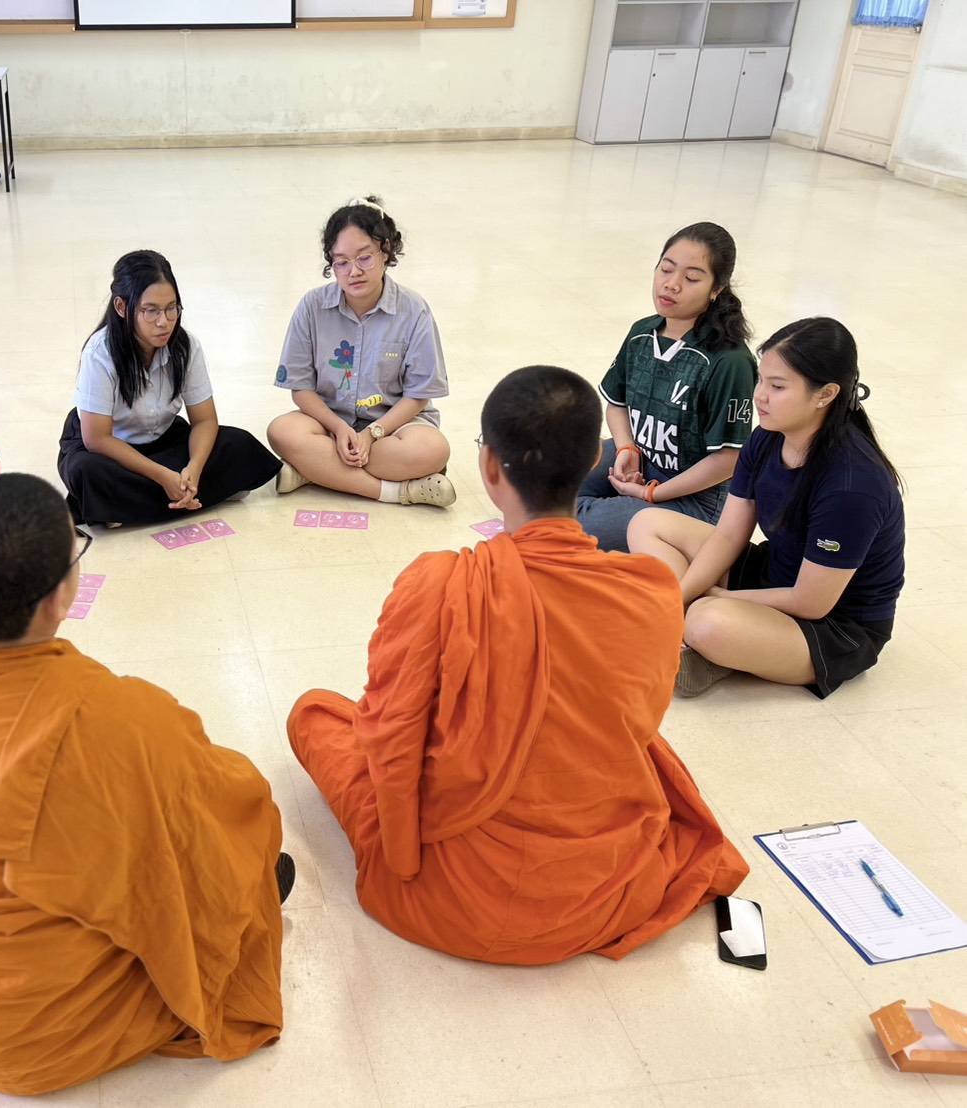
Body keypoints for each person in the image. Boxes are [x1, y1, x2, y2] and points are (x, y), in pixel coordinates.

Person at [0, 474, 292, 1095]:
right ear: (61, 594)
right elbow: (228, 807)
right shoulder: (120, 718)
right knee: (237, 837)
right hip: (48, 1039)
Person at [286, 366, 748, 965]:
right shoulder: (652, 589)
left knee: (316, 713)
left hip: (456, 894)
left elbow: (391, 739)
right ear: (593, 462)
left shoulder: (439, 583)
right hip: (605, 887)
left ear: (489, 467)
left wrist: (401, 860)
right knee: (636, 744)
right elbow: (634, 718)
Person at [629, 318, 904, 699]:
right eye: (761, 381)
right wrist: (678, 599)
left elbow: (811, 602)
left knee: (708, 620)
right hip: (774, 577)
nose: (760, 396)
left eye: (777, 387)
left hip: (831, 625)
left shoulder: (852, 486)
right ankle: (700, 642)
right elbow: (728, 536)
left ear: (825, 394)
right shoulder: (766, 438)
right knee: (648, 523)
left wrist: (713, 598)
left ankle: (707, 640)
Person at [57, 250, 281, 526]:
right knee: (86, 472)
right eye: (150, 311)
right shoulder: (99, 353)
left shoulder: (186, 346)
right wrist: (163, 476)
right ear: (122, 308)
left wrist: (193, 469)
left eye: (171, 308)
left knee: (238, 444)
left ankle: (128, 508)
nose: (164, 321)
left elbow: (205, 421)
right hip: (111, 449)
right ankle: (178, 497)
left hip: (163, 440)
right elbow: (98, 439)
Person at [577, 221, 758, 551]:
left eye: (692, 278)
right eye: (666, 269)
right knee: (547, 487)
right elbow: (617, 403)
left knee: (574, 523)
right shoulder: (642, 332)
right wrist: (627, 448)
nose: (671, 284)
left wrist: (652, 493)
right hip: (643, 461)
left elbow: (728, 460)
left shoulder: (729, 362)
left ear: (716, 289)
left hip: (695, 500)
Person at [267, 196, 455, 508]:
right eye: (341, 262)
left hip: (394, 427)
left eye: (364, 258)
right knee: (282, 432)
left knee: (432, 450)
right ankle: (399, 492)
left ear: (386, 251)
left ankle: (314, 471)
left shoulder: (414, 310)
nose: (353, 271)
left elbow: (419, 394)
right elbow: (300, 389)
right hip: (329, 423)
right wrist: (339, 428)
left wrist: (372, 434)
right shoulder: (312, 306)